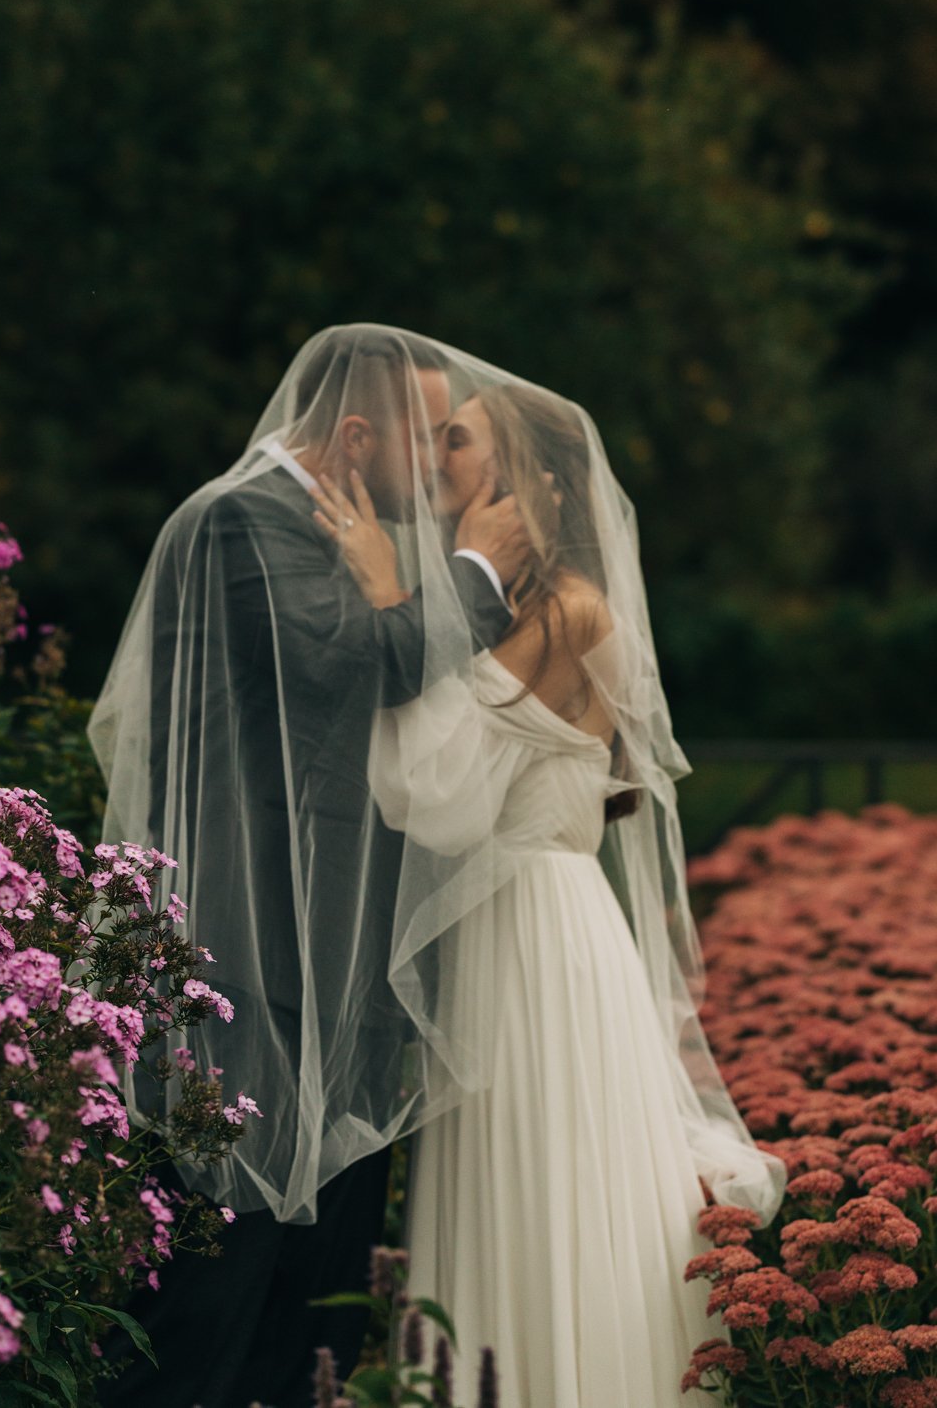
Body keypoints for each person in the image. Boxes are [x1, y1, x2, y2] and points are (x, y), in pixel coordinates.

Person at [315, 362, 787, 1406]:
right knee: (506, 1192)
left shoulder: (568, 615)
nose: (438, 454)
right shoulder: (510, 611)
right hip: (506, 932)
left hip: (538, 939)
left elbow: (427, 787)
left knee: (547, 1188)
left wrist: (388, 593)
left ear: (536, 482)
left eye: (463, 439)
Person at [87, 326, 532, 1408]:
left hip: (337, 966)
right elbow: (348, 664)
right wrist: (478, 577)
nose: (437, 468)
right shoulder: (236, 521)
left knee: (314, 1307)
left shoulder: (355, 528)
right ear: (356, 434)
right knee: (212, 1292)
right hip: (241, 960)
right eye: (426, 443)